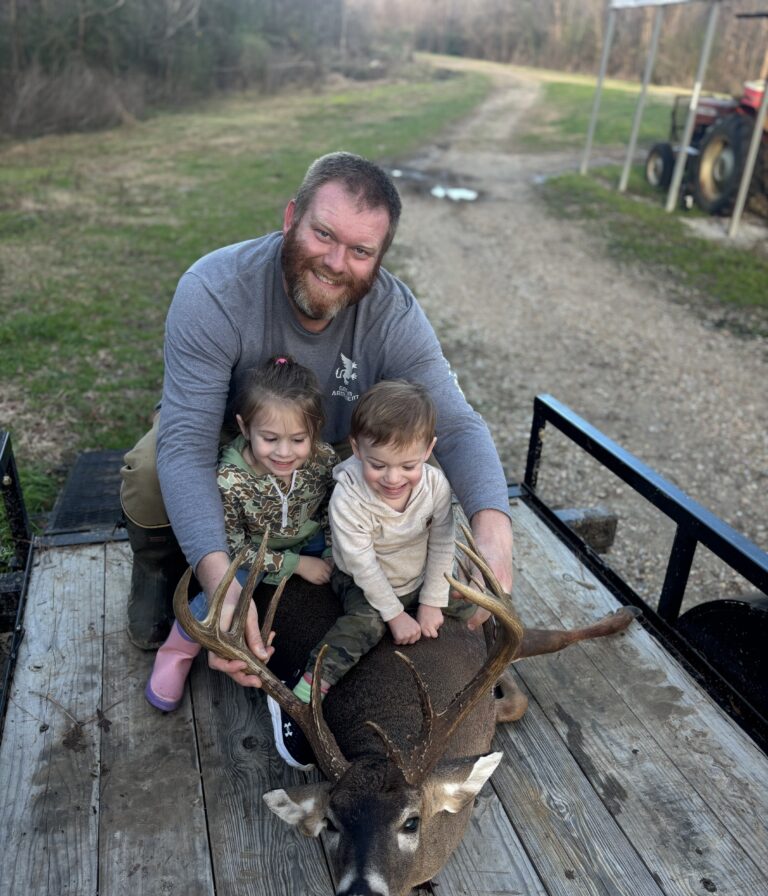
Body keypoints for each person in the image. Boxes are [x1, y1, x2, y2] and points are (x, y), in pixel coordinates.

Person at [120, 151, 514, 687]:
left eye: (360, 250)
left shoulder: (393, 314)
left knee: (402, 486)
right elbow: (187, 447)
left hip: (326, 452)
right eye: (323, 234)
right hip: (228, 434)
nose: (335, 261)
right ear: (290, 219)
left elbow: (460, 427)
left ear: (379, 259)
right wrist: (221, 583)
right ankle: (159, 567)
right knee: (149, 471)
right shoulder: (214, 288)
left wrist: (495, 532)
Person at [269, 380, 474, 770]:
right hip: (363, 579)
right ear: (358, 448)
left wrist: (432, 600)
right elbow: (362, 563)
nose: (393, 478)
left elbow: (443, 543)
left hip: (415, 574)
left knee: (471, 606)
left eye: (408, 466)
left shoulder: (436, 487)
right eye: (377, 464)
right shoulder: (349, 496)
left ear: (429, 450)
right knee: (364, 627)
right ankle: (302, 693)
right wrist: (395, 614)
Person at [144, 356, 337, 711]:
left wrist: (327, 552)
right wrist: (295, 564)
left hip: (307, 536)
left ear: (315, 431)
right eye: (270, 438)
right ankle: (175, 654)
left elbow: (327, 509)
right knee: (213, 602)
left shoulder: (321, 460)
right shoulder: (229, 480)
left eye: (298, 439)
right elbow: (232, 548)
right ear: (244, 427)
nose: (284, 452)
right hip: (252, 552)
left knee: (348, 564)